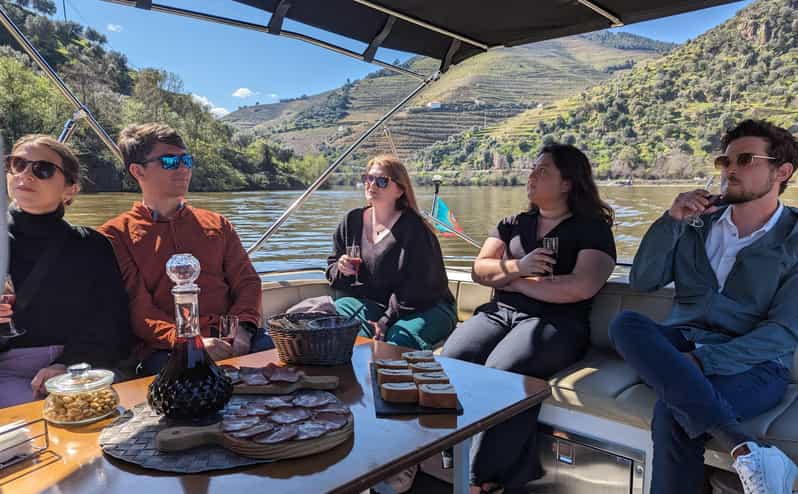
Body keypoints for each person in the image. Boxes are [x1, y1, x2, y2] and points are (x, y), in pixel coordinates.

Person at [609, 119, 798, 494]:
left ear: (782, 171)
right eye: (724, 161)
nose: (730, 170)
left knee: (672, 413)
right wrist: (672, 220)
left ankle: (742, 448)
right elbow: (643, 280)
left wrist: (702, 362)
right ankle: (748, 449)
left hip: (756, 365)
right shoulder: (696, 224)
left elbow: (782, 334)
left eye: (745, 160)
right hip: (684, 341)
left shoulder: (794, 239)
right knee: (626, 324)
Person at [441, 143, 616, 494]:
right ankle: (450, 453)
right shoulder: (512, 225)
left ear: (568, 182)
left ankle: (484, 480)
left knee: (503, 370)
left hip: (558, 323)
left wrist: (514, 281)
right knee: (452, 359)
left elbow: (581, 287)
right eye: (532, 169)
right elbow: (479, 270)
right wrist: (519, 268)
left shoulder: (591, 228)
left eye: (543, 171)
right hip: (501, 313)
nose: (531, 176)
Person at [98, 123, 270, 376]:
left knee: (291, 361)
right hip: (166, 350)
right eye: (169, 161)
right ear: (137, 170)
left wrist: (243, 328)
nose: (183, 168)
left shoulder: (218, 224)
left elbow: (247, 282)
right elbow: (138, 309)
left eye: (186, 160)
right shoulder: (115, 235)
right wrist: (190, 342)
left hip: (235, 339)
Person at [0, 135, 131, 408]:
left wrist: (69, 365)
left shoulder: (91, 245)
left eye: (42, 169)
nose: (26, 175)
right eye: (18, 164)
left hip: (80, 365)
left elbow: (110, 321)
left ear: (70, 189)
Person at [326, 154, 456, 351]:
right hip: (373, 304)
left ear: (400, 190)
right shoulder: (351, 221)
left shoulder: (415, 230)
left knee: (394, 343)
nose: (372, 186)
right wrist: (341, 269)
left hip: (426, 307)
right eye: (368, 178)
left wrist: (385, 322)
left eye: (381, 181)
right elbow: (332, 270)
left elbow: (418, 290)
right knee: (337, 332)